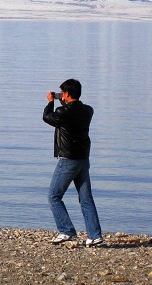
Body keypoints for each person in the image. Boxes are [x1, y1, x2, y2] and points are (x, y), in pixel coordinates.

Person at [43, 79, 104, 247]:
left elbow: (47, 117)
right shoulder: (88, 110)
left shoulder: (63, 112)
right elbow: (71, 114)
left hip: (68, 160)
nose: (60, 95)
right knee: (86, 198)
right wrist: (63, 103)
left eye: (62, 93)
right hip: (83, 160)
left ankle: (66, 231)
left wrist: (51, 102)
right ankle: (95, 236)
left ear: (67, 94)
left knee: (54, 196)